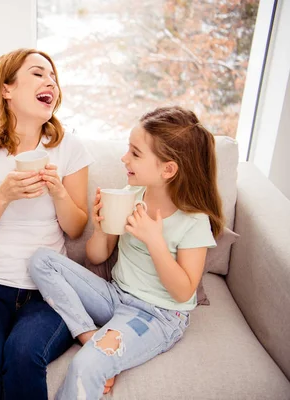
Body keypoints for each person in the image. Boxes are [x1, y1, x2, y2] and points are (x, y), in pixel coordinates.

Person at [30, 106, 224, 399]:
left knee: (85, 367)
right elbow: (97, 257)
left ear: (168, 169)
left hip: (158, 315)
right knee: (41, 260)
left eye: (135, 153)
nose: (124, 159)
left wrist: (155, 242)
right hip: (115, 295)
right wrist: (101, 228)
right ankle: (86, 334)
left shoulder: (193, 221)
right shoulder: (130, 195)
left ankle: (100, 353)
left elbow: (184, 292)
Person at [0, 48, 93, 399]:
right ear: (6, 89)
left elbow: (75, 228)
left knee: (23, 354)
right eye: (38, 73)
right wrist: (3, 195)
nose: (51, 82)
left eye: (53, 77)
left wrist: (59, 192)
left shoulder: (69, 149)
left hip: (50, 291)